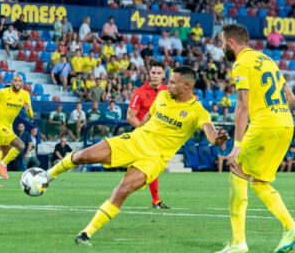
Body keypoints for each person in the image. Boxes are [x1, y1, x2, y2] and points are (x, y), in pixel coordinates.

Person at [45, 66, 228, 246]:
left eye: (172, 82)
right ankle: (47, 176)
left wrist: (217, 139)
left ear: (187, 86)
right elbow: (148, 116)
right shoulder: (162, 96)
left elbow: (210, 133)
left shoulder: (198, 111)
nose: (168, 85)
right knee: (83, 156)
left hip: (154, 159)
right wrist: (136, 132)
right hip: (134, 141)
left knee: (122, 191)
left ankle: (86, 233)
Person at [216, 23, 295, 253]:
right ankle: (289, 228)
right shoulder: (267, 60)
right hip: (285, 124)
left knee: (237, 173)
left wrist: (237, 145)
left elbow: (242, 106)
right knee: (259, 181)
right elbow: (290, 96)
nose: (222, 47)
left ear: (232, 42)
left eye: (222, 42)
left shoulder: (241, 63)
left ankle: (239, 242)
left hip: (265, 125)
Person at [126, 60, 170, 209]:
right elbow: (130, 116)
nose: (156, 76)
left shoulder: (168, 92)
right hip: (144, 136)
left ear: (163, 75)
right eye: (153, 73)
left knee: (149, 167)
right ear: (149, 73)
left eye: (159, 73)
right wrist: (143, 129)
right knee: (152, 165)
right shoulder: (139, 92)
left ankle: (155, 200)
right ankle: (155, 200)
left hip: (160, 137)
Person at [0, 74, 33, 186]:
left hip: (8, 126)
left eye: (19, 81)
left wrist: (28, 110)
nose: (17, 83)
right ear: (11, 82)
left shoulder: (25, 95)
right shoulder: (2, 93)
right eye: (15, 81)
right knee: (8, 147)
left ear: (22, 83)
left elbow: (30, 115)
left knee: (5, 150)